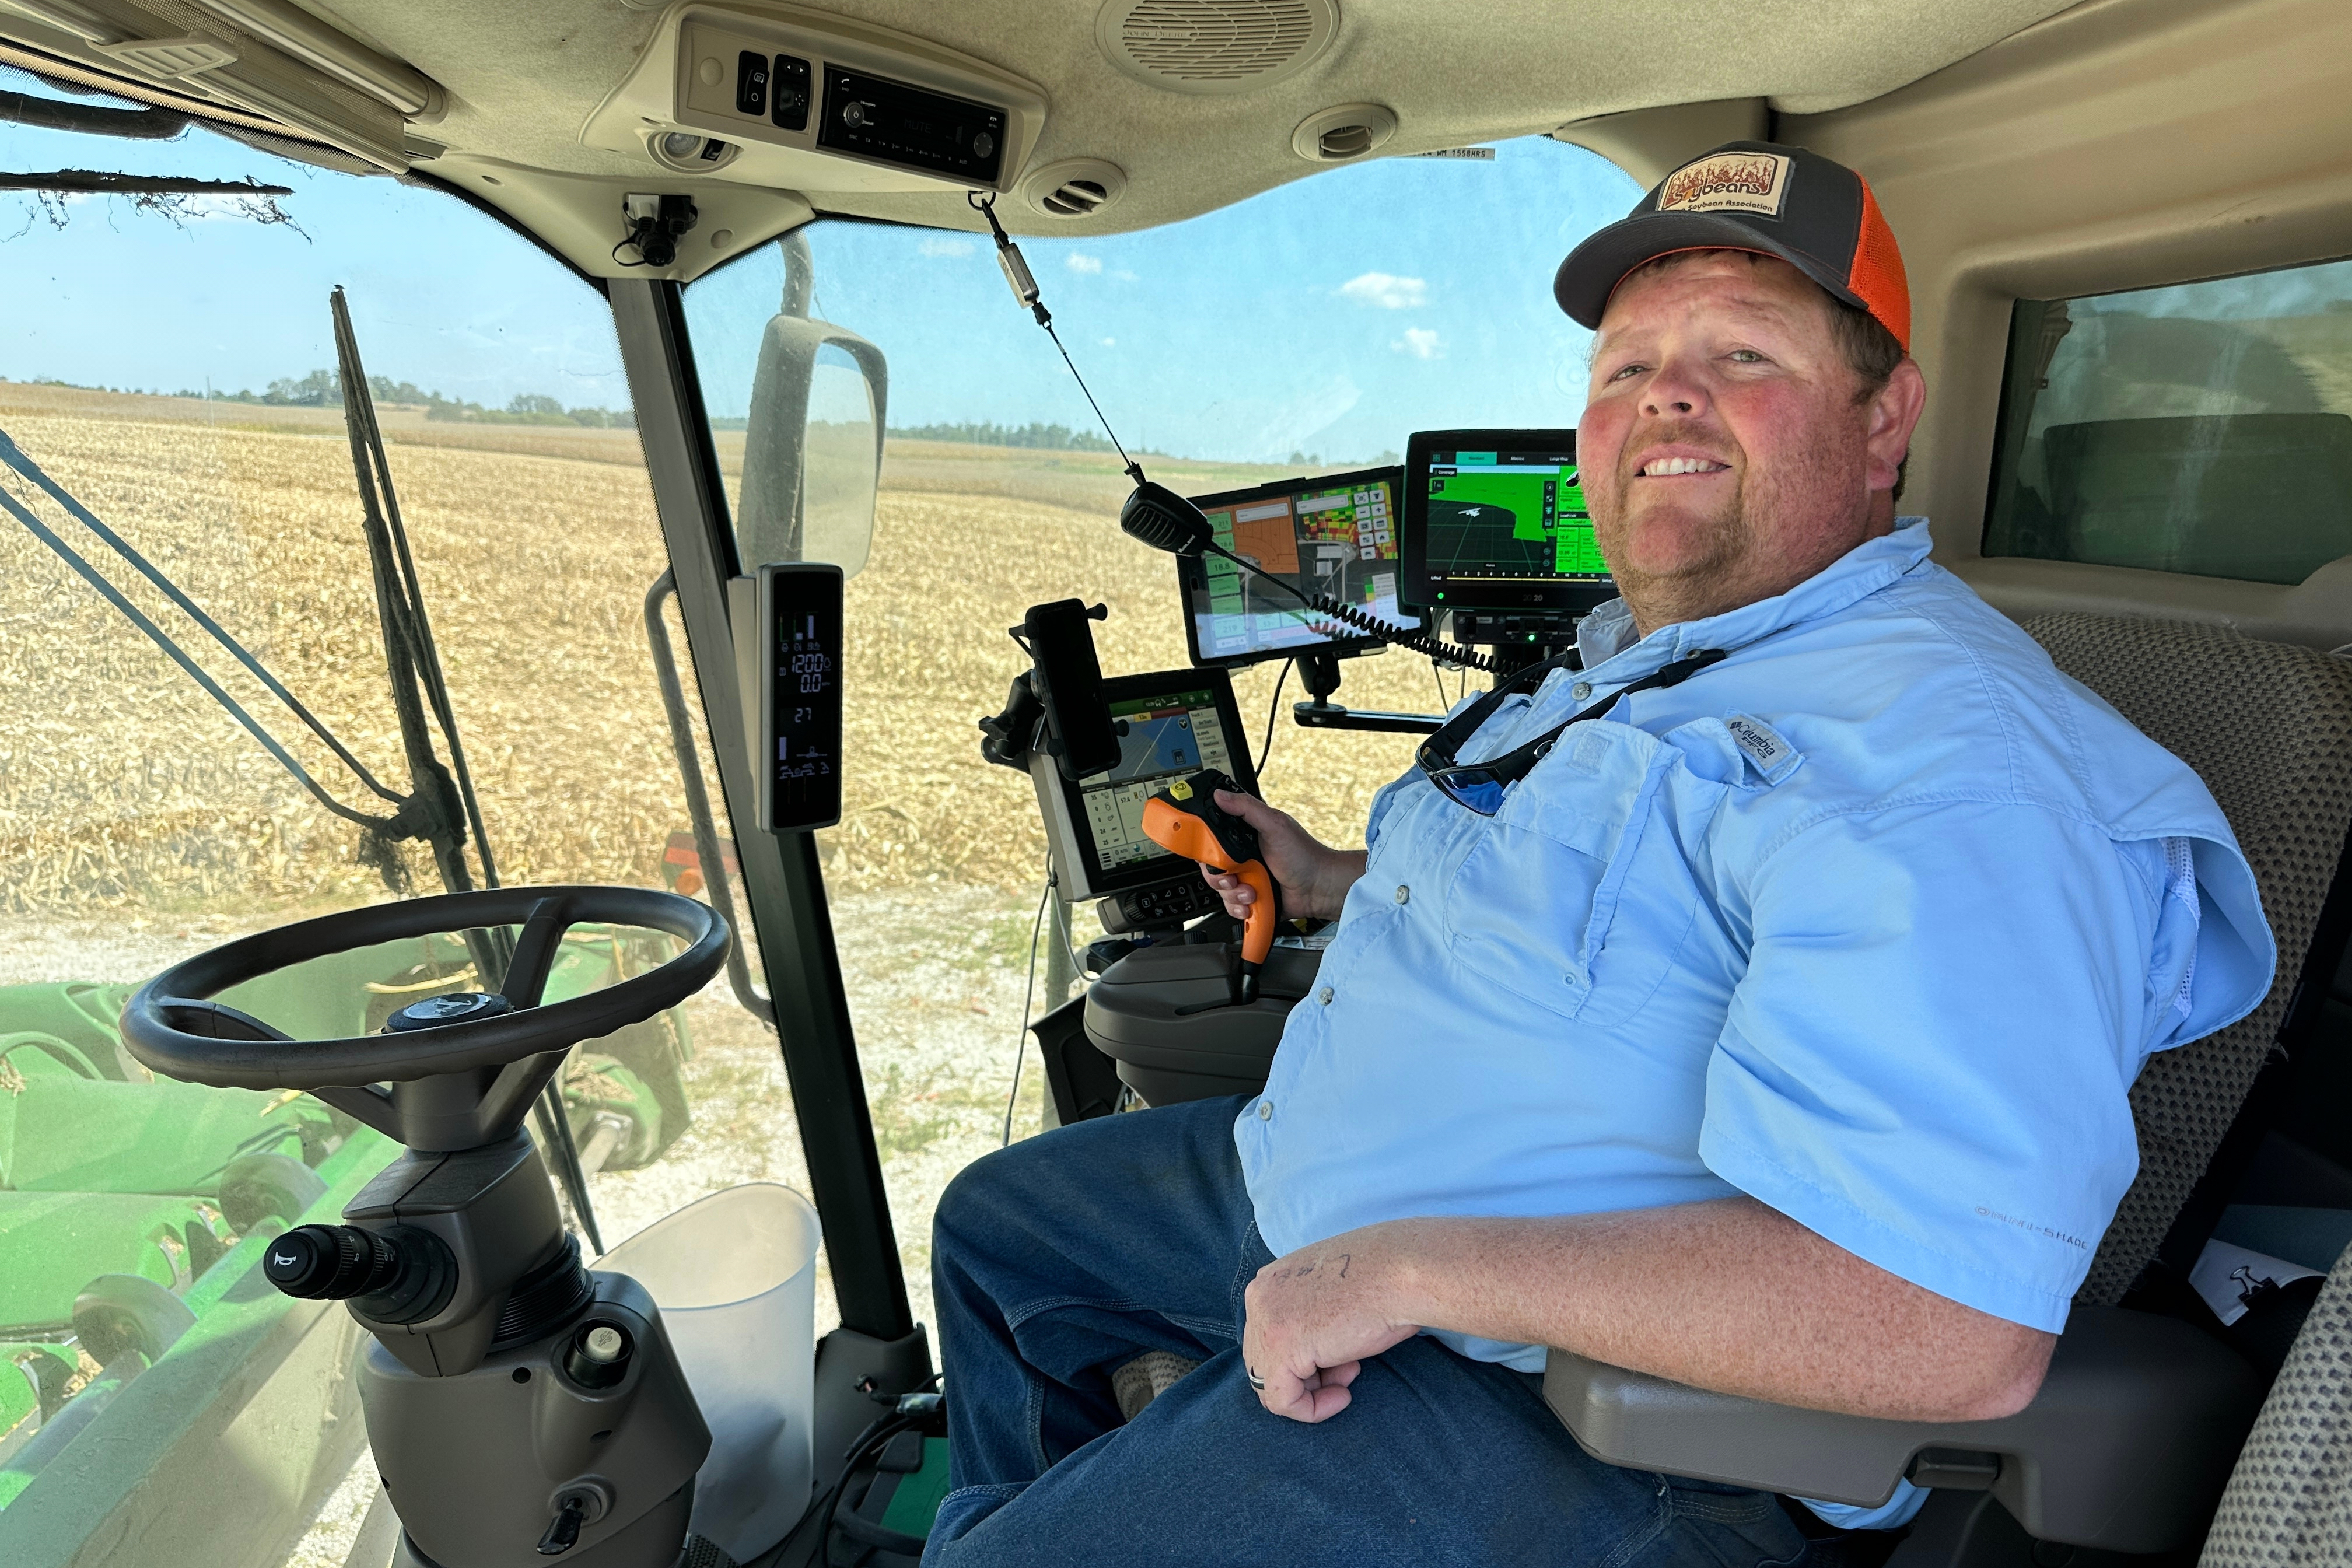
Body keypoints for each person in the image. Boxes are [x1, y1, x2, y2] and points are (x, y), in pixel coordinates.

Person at [921, 142, 2275, 1567]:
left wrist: (1403, 1268)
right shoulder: (1660, 655)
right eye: (1624, 368)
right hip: (1332, 1212)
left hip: (1590, 1420)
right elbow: (1588, 899)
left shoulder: (1959, 777)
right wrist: (1331, 882)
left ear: (1887, 421)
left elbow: (1941, 1320)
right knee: (1001, 1231)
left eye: (1743, 353)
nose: (1665, 396)